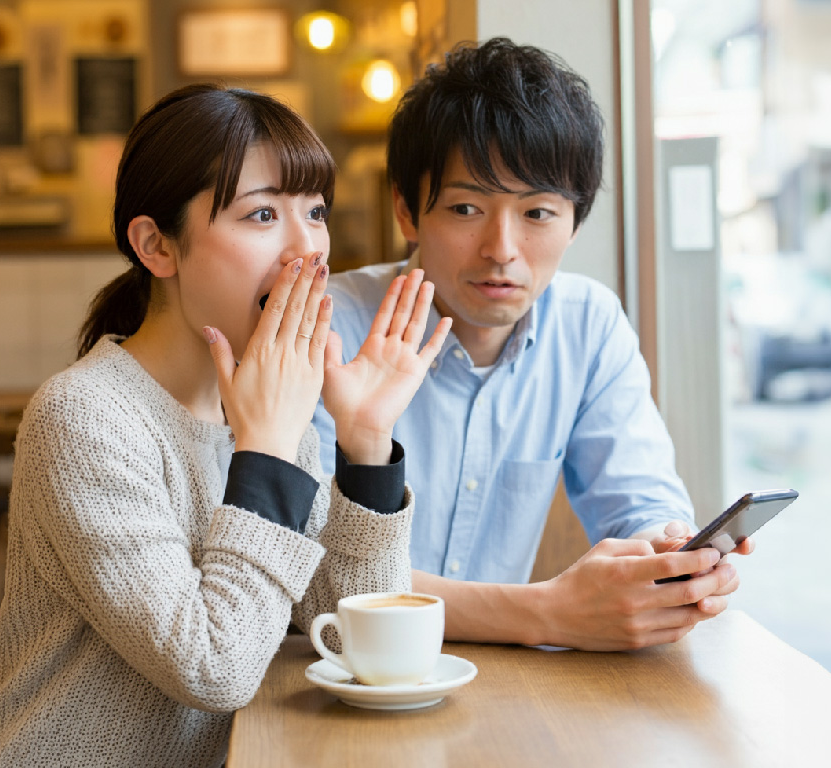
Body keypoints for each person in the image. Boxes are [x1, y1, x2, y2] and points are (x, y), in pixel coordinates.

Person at [0, 84, 449, 768]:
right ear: (156, 246)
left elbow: (355, 629)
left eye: (315, 212)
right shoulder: (84, 418)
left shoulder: (268, 413)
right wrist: (266, 448)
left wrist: (364, 444)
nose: (309, 250)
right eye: (262, 214)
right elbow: (213, 667)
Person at [312, 37, 751, 652]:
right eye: (466, 208)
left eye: (539, 214)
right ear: (408, 212)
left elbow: (640, 501)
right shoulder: (331, 327)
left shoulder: (588, 325)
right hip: (330, 680)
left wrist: (670, 557)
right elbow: (304, 571)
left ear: (575, 221)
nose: (502, 249)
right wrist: (544, 613)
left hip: (503, 687)